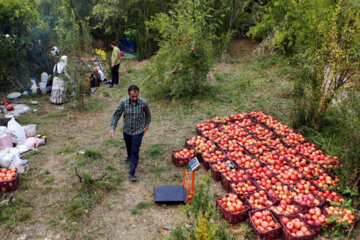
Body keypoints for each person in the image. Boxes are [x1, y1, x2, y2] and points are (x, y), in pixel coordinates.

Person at [109, 85, 151, 181]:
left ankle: (131, 172)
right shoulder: (123, 103)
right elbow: (116, 116)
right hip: (127, 131)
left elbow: (148, 116)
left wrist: (146, 126)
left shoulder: (143, 103)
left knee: (135, 150)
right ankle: (129, 156)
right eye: (132, 97)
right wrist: (112, 128)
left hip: (138, 131)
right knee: (128, 146)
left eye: (136, 96)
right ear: (129, 94)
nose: (134, 98)